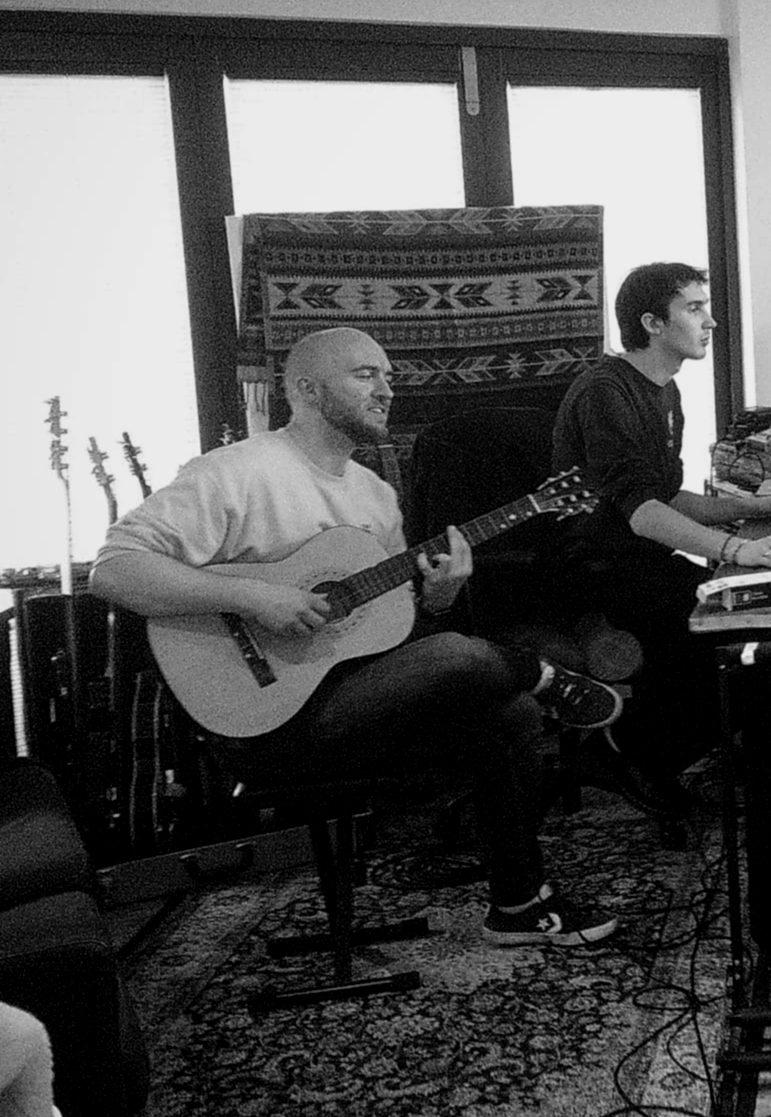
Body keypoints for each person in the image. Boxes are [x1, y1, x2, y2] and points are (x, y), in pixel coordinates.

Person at [90, 327, 627, 948]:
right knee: (460, 656)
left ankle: (518, 904)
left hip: (355, 700)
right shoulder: (236, 473)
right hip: (263, 721)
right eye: (365, 374)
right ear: (307, 390)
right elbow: (114, 569)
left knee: (508, 713)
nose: (386, 390)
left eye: (389, 376)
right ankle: (543, 674)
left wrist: (440, 595)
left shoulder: (375, 496)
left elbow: (393, 631)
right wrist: (254, 597)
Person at [552, 262, 771, 807]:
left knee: (755, 628)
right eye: (694, 309)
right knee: (737, 646)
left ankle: (697, 757)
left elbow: (667, 497)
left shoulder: (662, 391)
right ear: (652, 323)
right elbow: (642, 513)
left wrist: (754, 507)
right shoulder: (606, 392)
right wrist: (739, 547)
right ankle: (624, 754)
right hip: (595, 571)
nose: (710, 321)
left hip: (638, 559)